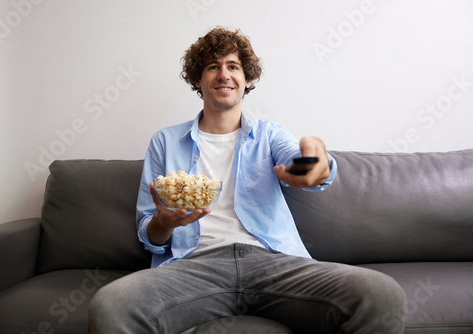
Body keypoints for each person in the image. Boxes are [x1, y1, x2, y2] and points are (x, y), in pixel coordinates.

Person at [88, 27, 407, 334]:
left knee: (380, 293)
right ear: (198, 80)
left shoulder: (269, 135)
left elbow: (302, 162)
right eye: (213, 66)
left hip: (272, 263)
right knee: (110, 305)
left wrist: (316, 159)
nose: (223, 74)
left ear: (248, 79)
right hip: (193, 267)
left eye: (233, 66)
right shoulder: (165, 142)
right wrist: (166, 221)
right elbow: (149, 234)